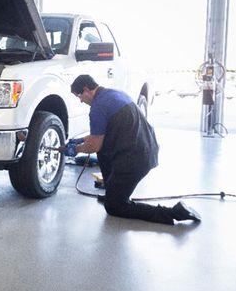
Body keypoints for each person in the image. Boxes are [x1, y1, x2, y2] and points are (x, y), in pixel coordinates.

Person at [65, 74, 201, 225]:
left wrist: (75, 149)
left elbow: (94, 145)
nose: (81, 100)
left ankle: (173, 212)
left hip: (134, 160)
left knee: (114, 207)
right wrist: (81, 140)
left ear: (86, 90)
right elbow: (102, 133)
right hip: (147, 150)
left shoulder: (97, 108)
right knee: (103, 152)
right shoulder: (114, 94)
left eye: (79, 96)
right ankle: (113, 192)